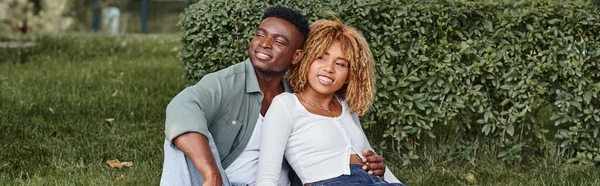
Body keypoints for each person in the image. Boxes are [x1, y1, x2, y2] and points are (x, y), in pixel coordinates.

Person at [161, 6, 390, 186]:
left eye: (279, 41)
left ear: (297, 56)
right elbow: (181, 108)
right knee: (183, 135)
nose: (265, 44)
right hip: (224, 181)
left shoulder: (297, 95)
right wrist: (210, 173)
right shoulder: (226, 82)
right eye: (260, 35)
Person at [256, 18, 406, 186]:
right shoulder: (286, 105)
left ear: (350, 75)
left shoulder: (346, 105)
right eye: (321, 58)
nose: (329, 68)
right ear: (307, 60)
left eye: (340, 64)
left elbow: (369, 152)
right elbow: (267, 177)